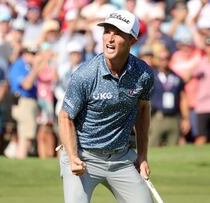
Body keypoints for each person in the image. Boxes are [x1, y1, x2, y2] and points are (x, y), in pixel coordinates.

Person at [58, 10, 154, 203]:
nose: (110, 39)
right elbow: (65, 116)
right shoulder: (86, 74)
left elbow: (143, 109)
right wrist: (73, 155)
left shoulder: (143, 74)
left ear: (132, 40)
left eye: (117, 33)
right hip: (83, 157)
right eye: (107, 31)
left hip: (120, 159)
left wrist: (142, 156)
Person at [149, 47, 190, 147]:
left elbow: (183, 98)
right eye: (161, 59)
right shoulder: (151, 77)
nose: (164, 61)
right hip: (157, 117)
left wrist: (185, 119)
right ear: (157, 60)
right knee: (152, 148)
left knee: (173, 150)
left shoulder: (177, 77)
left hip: (173, 118)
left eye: (167, 58)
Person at [8, 43, 40, 159]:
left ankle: (20, 156)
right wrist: (36, 68)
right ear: (25, 54)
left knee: (25, 133)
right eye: (31, 54)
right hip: (22, 101)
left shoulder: (28, 66)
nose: (33, 57)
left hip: (29, 102)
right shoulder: (19, 65)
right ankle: (21, 156)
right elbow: (26, 85)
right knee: (26, 133)